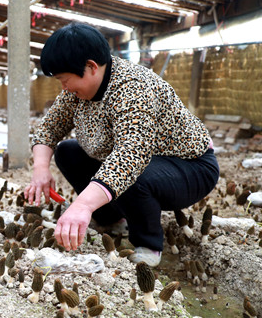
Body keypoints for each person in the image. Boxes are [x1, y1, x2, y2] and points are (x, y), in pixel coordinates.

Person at [24, 22, 219, 267]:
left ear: (91, 67)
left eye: (65, 79)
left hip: (190, 168)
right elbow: (49, 129)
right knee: (68, 151)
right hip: (141, 165)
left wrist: (82, 204)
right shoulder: (75, 93)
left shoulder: (133, 87)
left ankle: (148, 244)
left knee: (132, 174)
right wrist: (41, 169)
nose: (64, 87)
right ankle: (111, 219)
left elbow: (130, 156)